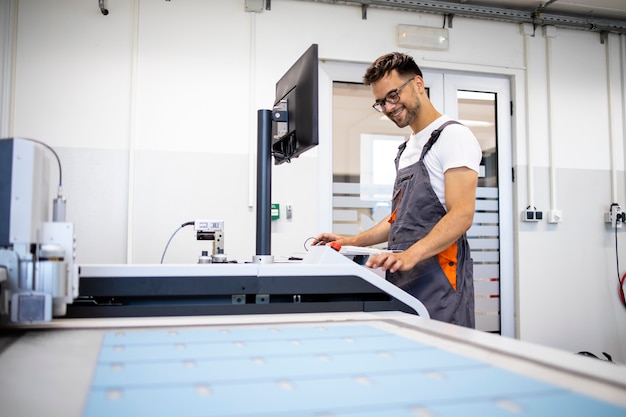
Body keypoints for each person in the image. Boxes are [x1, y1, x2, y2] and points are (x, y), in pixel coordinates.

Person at [313, 52, 481, 328]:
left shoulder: (453, 136)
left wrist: (408, 256)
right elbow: (399, 221)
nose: (389, 108)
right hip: (404, 278)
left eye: (393, 96)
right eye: (380, 102)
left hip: (440, 280)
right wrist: (349, 241)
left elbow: (462, 214)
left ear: (417, 84)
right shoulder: (407, 149)